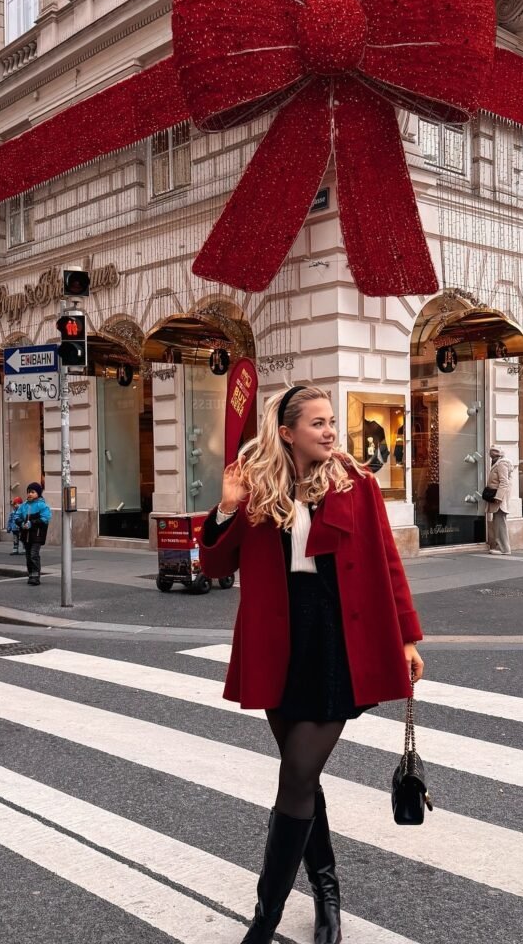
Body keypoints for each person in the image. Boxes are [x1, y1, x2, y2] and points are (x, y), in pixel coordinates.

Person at [200, 384, 424, 944]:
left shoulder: (355, 481)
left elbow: (387, 562)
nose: (330, 431)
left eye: (331, 421)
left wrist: (407, 637)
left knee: (298, 774)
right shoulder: (255, 485)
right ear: (287, 432)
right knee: (302, 778)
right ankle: (327, 892)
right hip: (277, 644)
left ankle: (264, 923)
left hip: (338, 641)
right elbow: (215, 566)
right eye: (318, 423)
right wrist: (226, 507)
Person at [15, 482, 52, 585]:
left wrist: (32, 523)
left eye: (32, 492)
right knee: (28, 556)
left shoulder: (42, 505)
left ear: (38, 493)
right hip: (26, 535)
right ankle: (31, 574)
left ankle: (35, 576)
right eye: (28, 492)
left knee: (33, 555)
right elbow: (16, 516)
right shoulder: (24, 505)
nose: (30, 494)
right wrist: (21, 523)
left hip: (37, 535)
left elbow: (45, 518)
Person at [486, 445, 513, 555]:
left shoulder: (501, 464)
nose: (490, 455)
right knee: (498, 523)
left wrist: (498, 497)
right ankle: (500, 547)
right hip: (498, 498)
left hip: (499, 499)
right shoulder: (497, 463)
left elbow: (504, 482)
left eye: (492, 453)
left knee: (500, 523)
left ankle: (504, 549)